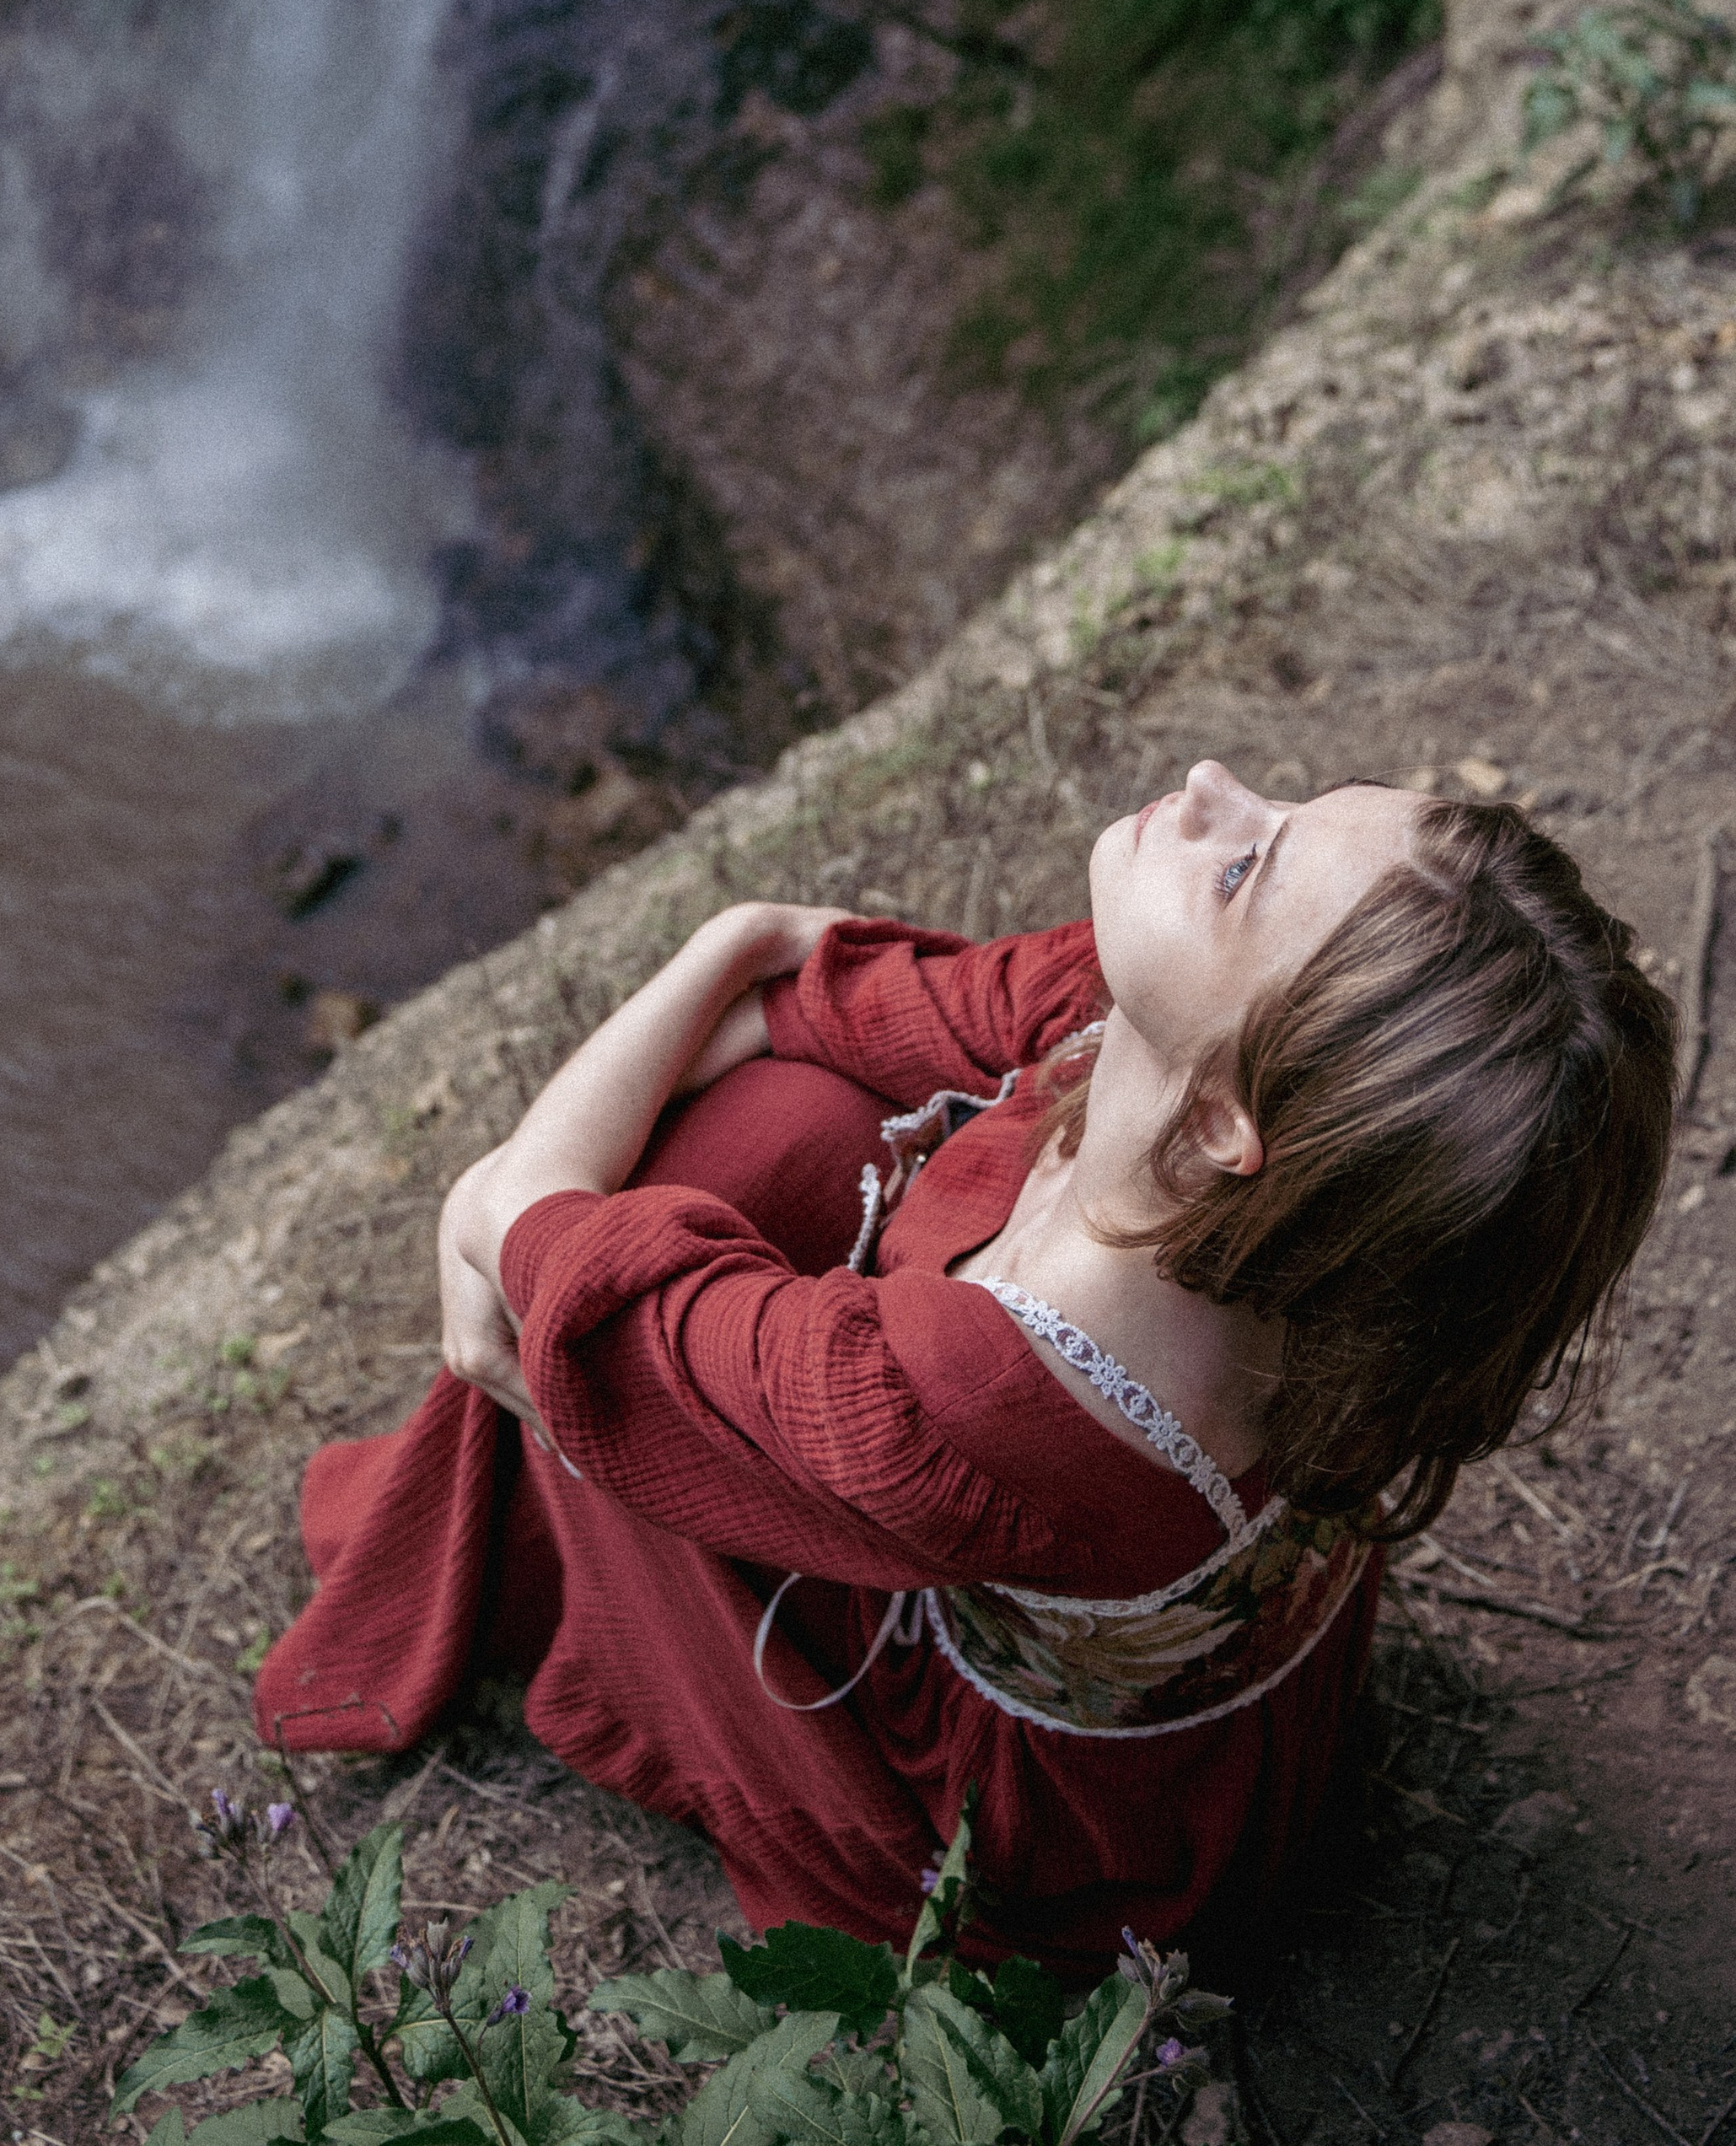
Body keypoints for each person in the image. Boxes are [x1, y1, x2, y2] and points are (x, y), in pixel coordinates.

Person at [252, 761, 1674, 1972]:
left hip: (1033, 1829)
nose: (1208, 789)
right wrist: (740, 960)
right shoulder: (1254, 1136)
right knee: (779, 1118)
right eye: (1280, 803)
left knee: (620, 1337)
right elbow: (841, 1005)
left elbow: (557, 1269)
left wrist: (500, 1189)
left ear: (1231, 1116)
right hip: (1158, 1651)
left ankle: (547, 1594)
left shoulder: (978, 1407)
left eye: (1243, 869)